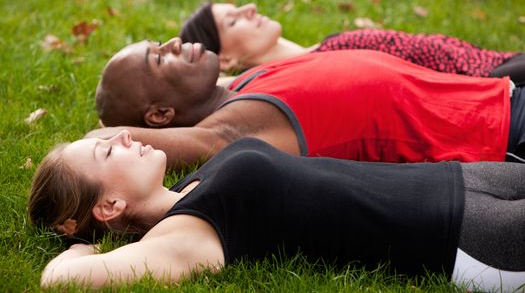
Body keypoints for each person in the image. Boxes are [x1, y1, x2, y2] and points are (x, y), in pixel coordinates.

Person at [29, 133, 525, 290]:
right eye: (106, 154)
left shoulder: (188, 189)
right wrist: (78, 245)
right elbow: (58, 281)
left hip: (455, 179)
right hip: (456, 234)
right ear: (109, 205)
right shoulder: (185, 235)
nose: (120, 138)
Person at [92, 38, 523, 170]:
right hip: (503, 136)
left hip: (503, 97)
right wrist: (99, 139)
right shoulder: (239, 125)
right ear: (160, 115)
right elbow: (105, 136)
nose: (171, 42)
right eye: (158, 57)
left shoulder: (243, 83)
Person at [180, 2, 525, 82]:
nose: (250, 8)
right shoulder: (308, 71)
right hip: (492, 83)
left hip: (497, 60)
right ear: (223, 59)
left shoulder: (322, 48)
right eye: (233, 19)